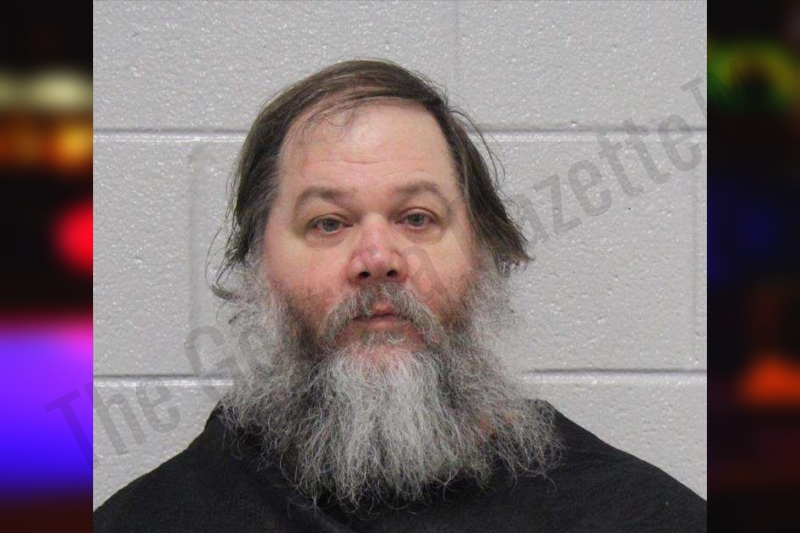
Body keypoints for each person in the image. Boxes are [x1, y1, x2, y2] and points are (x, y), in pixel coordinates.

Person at [94, 60, 706, 532]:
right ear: (258, 267)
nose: (378, 259)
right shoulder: (149, 521)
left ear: (485, 253)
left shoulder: (635, 516)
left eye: (417, 218)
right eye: (328, 223)